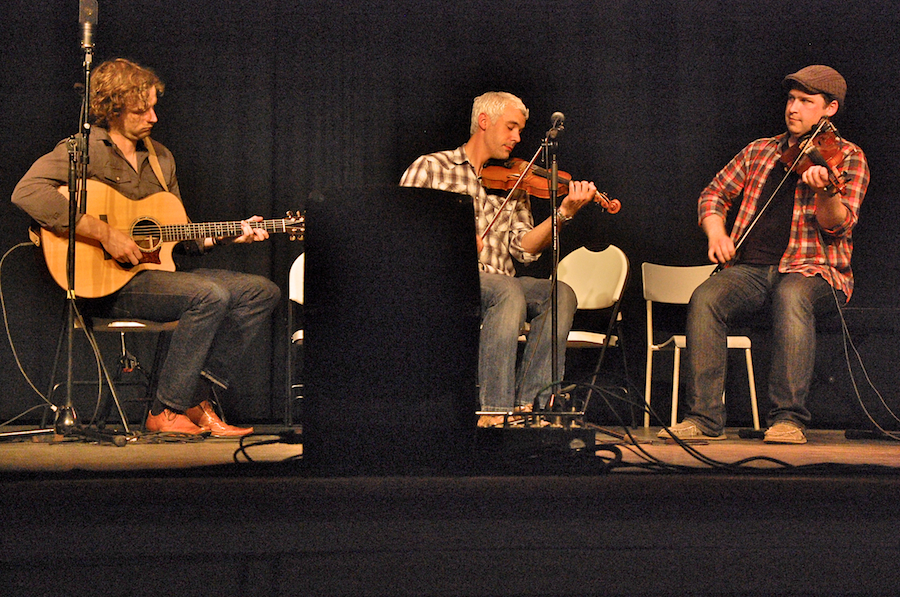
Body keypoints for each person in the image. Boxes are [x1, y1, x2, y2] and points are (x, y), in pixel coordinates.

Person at [12, 58, 280, 437]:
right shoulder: (82, 150)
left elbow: (178, 236)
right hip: (104, 285)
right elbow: (27, 192)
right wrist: (105, 234)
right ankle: (164, 411)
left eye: (155, 107)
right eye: (142, 109)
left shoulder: (161, 159)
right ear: (113, 108)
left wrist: (225, 233)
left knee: (260, 291)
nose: (153, 117)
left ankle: (194, 398)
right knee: (209, 295)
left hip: (154, 278)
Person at [659, 65, 869, 444]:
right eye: (791, 99)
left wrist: (825, 192)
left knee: (792, 294)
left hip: (815, 271)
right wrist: (717, 232)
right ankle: (704, 418)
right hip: (751, 269)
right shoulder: (760, 150)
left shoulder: (847, 158)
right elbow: (713, 193)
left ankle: (788, 419)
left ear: (830, 109)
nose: (794, 108)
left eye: (807, 101)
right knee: (706, 297)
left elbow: (837, 225)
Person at [400, 91, 598, 427]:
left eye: (520, 130)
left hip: (501, 283)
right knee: (508, 290)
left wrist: (562, 214)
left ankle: (530, 408)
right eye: (510, 128)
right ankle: (494, 411)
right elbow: (400, 234)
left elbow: (524, 248)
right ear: (484, 122)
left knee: (559, 293)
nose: (517, 138)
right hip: (445, 281)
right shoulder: (431, 167)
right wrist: (456, 245)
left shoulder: (515, 183)